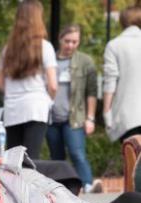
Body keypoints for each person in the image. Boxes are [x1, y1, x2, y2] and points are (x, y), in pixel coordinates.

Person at [0, 0, 57, 159]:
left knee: (13, 161)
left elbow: (0, 83)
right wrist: (49, 100)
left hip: (12, 109)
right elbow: (53, 85)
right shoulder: (45, 47)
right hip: (36, 107)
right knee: (31, 159)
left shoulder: (7, 49)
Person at [45, 25, 98, 193]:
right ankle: (60, 191)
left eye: (75, 42)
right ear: (60, 39)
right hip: (51, 118)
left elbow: (91, 92)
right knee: (56, 158)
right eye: (67, 41)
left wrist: (90, 118)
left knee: (77, 154)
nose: (70, 45)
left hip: (74, 118)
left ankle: (88, 186)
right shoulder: (49, 60)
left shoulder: (85, 61)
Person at [103, 4, 141, 143]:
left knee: (132, 161)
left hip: (128, 117)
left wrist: (107, 112)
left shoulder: (114, 45)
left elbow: (110, 82)